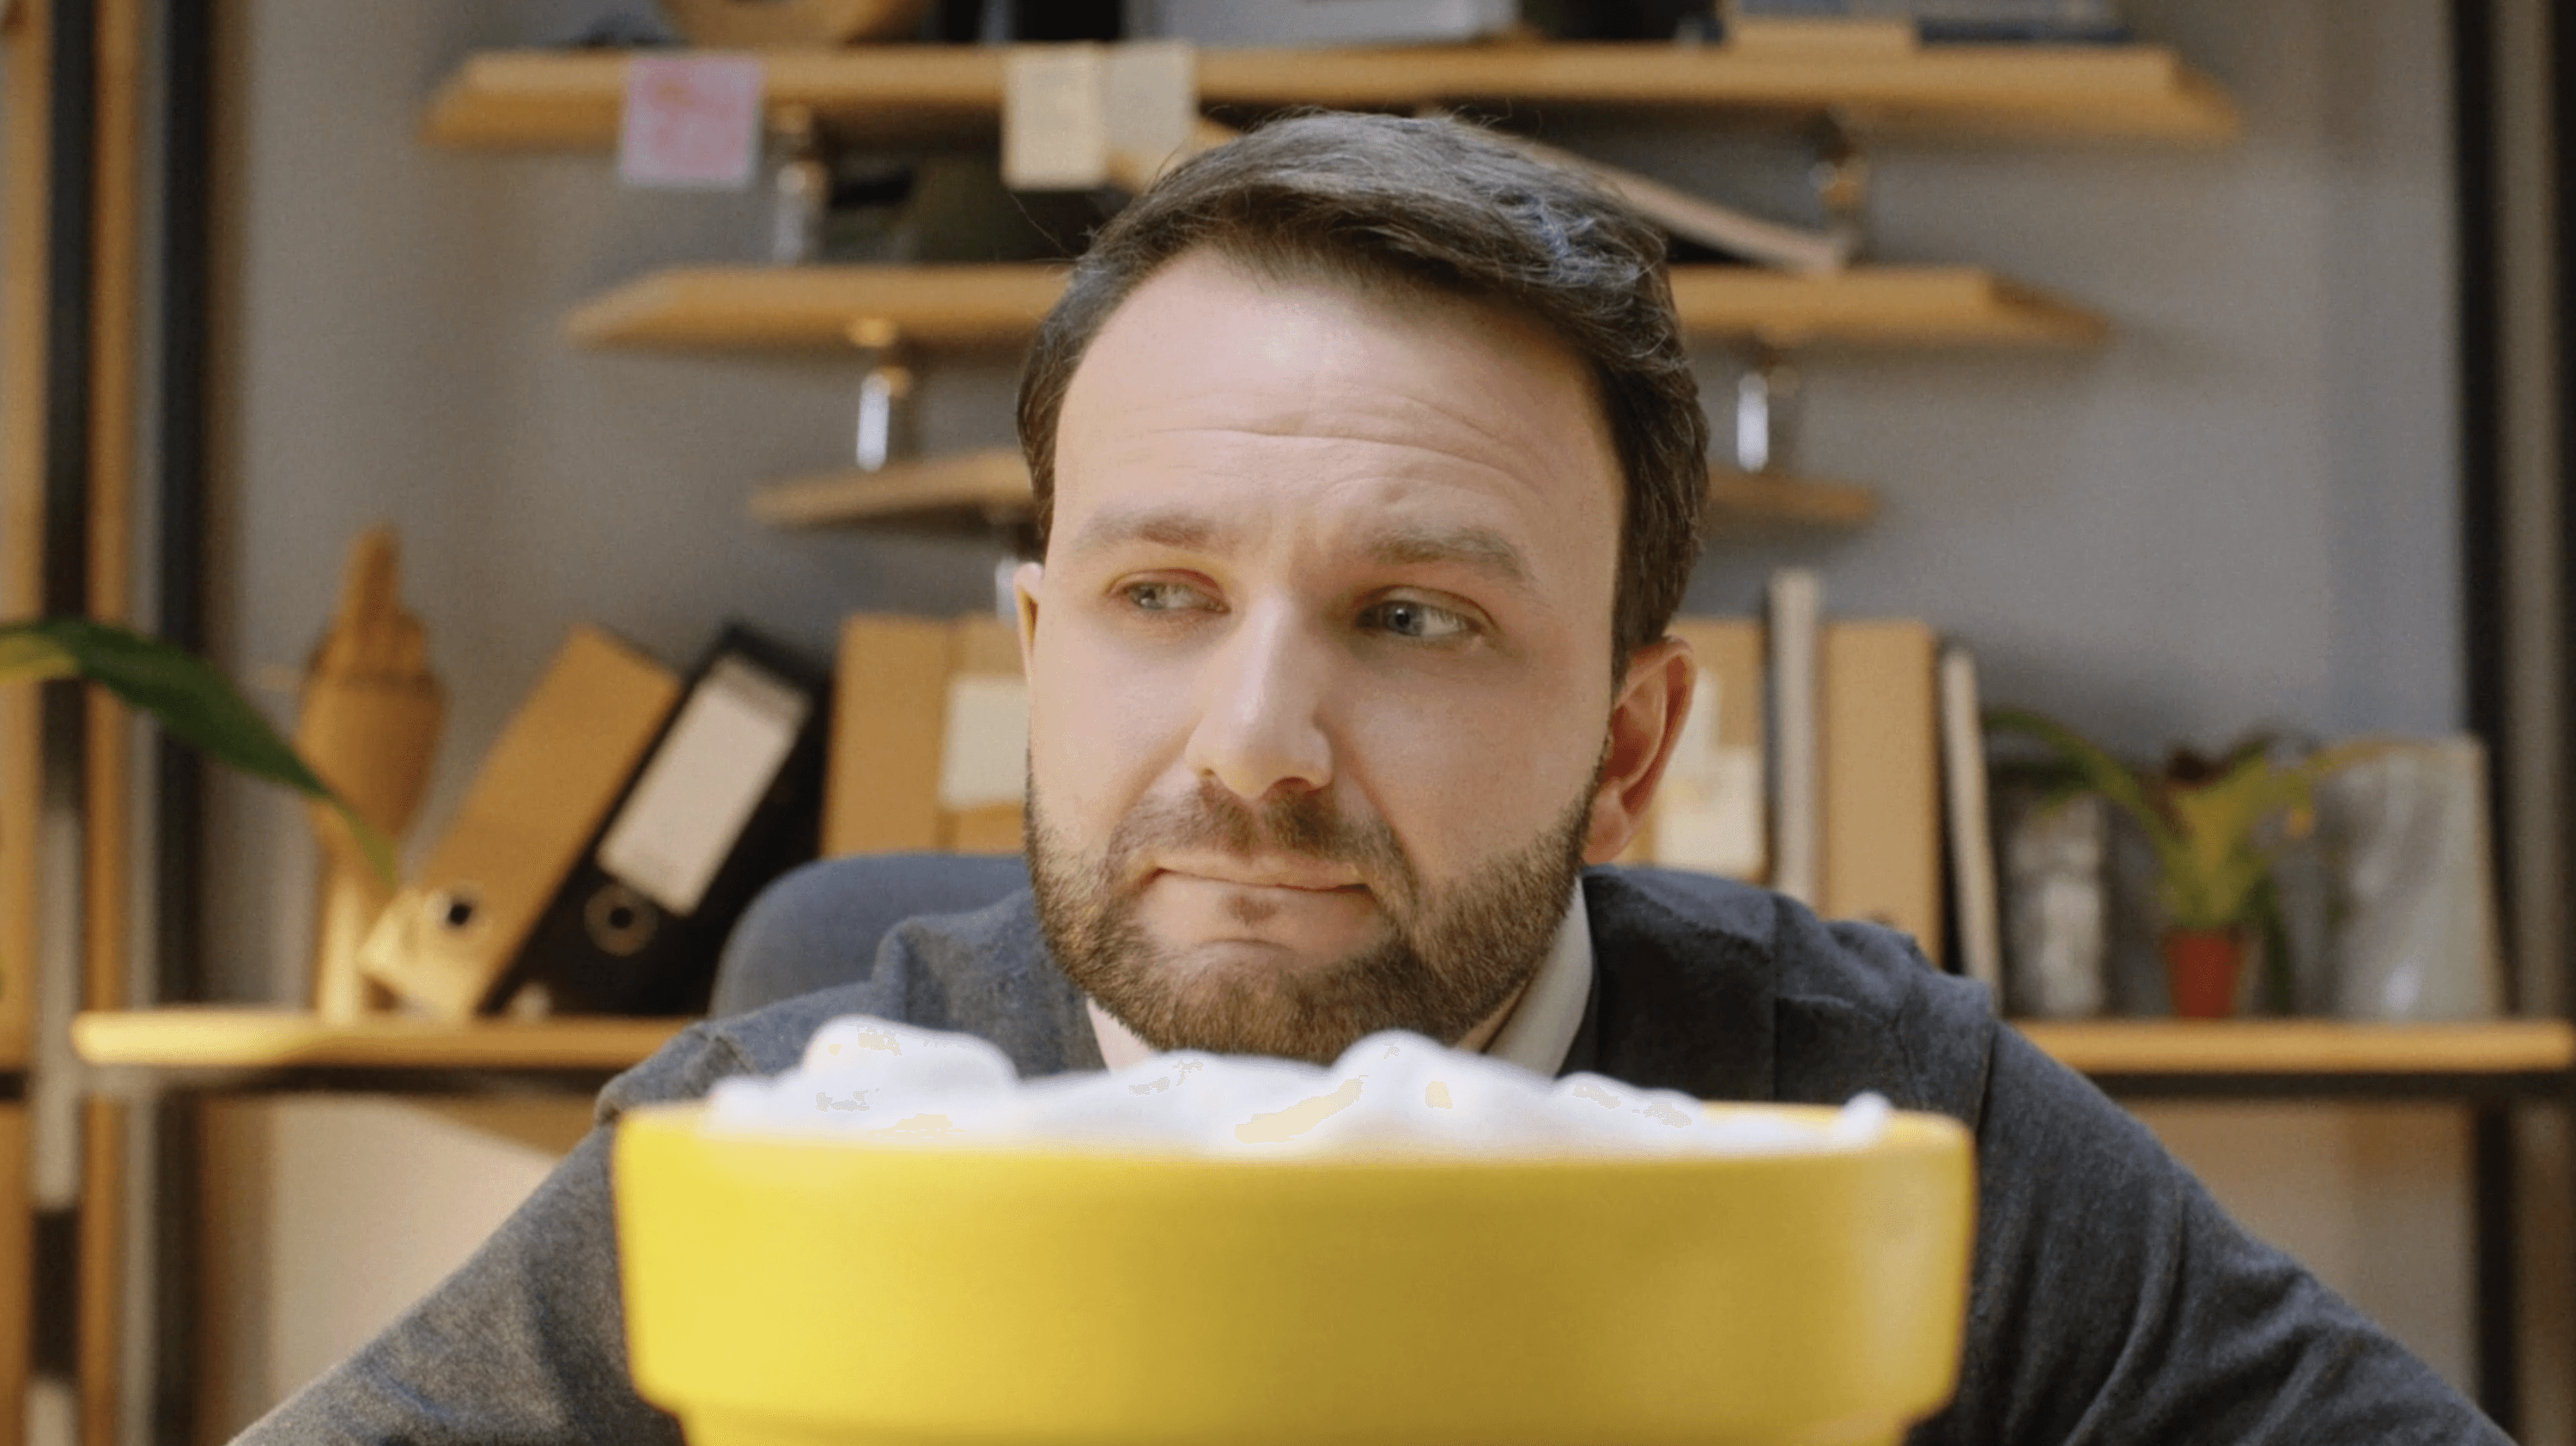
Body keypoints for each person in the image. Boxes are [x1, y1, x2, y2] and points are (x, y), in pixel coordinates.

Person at [243, 111, 2506, 1445]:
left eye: (1414, 619)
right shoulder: (770, 1146)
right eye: (1158, 596)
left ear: (1630, 747)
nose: (1254, 744)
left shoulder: (1878, 1126)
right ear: (1033, 653)